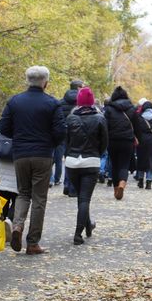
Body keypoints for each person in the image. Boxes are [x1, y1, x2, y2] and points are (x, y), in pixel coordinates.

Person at [0, 66, 66, 255]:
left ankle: (17, 226)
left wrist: (19, 137)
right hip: (43, 154)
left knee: (23, 193)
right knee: (39, 198)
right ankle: (33, 242)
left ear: (27, 81)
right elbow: (61, 131)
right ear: (46, 82)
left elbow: (4, 128)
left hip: (20, 154)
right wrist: (50, 142)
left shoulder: (14, 101)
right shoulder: (52, 103)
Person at [64, 87, 108, 245]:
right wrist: (96, 153)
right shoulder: (100, 118)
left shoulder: (70, 118)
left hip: (72, 162)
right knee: (84, 199)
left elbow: (66, 141)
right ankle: (77, 234)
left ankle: (88, 225)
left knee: (82, 198)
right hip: (91, 161)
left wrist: (69, 154)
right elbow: (104, 143)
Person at [103, 86, 137, 200]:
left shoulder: (109, 109)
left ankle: (116, 188)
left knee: (114, 164)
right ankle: (122, 183)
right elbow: (137, 125)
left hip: (112, 140)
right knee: (124, 164)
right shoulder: (132, 108)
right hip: (127, 140)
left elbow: (105, 126)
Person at [59, 80, 84, 197]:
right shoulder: (82, 103)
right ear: (79, 87)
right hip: (78, 134)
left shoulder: (61, 102)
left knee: (67, 158)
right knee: (75, 160)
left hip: (63, 134)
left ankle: (66, 184)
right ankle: (72, 187)